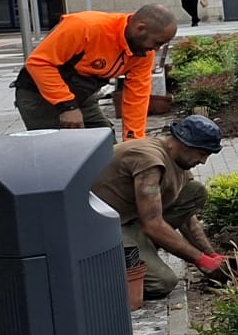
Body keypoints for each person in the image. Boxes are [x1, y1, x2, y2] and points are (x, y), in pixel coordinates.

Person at [90, 115, 230, 299]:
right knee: (162, 282)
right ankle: (96, 273)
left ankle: (142, 251)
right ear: (184, 144)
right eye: (202, 154)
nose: (203, 161)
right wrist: (199, 259)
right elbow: (153, 224)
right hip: (101, 228)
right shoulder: (149, 161)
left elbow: (188, 220)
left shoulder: (177, 160)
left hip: (131, 220)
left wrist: (212, 257)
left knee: (194, 191)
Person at [14, 4, 178, 141]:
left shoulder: (143, 52)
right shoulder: (85, 26)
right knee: (60, 152)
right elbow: (38, 63)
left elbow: (137, 96)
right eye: (157, 42)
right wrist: (67, 106)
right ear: (140, 29)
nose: (156, 50)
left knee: (105, 145)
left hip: (82, 96)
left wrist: (133, 141)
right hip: (38, 95)